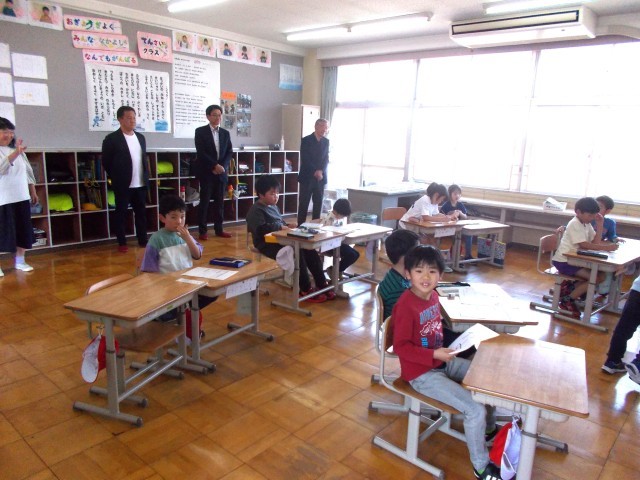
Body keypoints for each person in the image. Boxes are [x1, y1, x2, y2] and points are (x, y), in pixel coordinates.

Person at [392, 245, 500, 480]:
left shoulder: (433, 296)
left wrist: (451, 348)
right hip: (421, 375)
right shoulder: (406, 305)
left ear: (441, 275)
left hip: (441, 361)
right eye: (419, 271)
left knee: (486, 379)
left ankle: (489, 429)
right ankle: (482, 467)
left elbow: (434, 329)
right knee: (475, 410)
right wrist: (434, 355)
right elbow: (401, 347)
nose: (426, 277)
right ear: (408, 274)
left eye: (432, 271)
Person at [246, 175, 334, 303]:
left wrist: (288, 225)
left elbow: (279, 223)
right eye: (272, 194)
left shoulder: (274, 207)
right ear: (261, 194)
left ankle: (321, 283)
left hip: (282, 239)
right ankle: (305, 289)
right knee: (298, 252)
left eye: (277, 193)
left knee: (308, 248)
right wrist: (281, 227)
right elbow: (261, 229)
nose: (276, 196)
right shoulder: (255, 210)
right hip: (266, 244)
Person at [140, 194, 216, 335]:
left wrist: (188, 238)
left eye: (182, 216)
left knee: (213, 293)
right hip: (168, 289)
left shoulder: (185, 235)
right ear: (162, 218)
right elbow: (148, 272)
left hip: (187, 284)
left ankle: (185, 315)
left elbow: (197, 255)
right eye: (174, 217)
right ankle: (172, 316)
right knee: (179, 305)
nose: (179, 221)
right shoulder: (156, 239)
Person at [551, 197, 619, 318]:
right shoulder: (575, 223)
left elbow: (595, 242)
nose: (592, 218)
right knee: (595, 278)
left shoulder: (586, 224)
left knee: (601, 276)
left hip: (576, 260)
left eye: (594, 215)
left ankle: (569, 288)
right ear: (578, 212)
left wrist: (600, 224)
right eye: (589, 215)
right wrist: (606, 248)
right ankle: (568, 300)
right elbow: (584, 245)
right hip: (564, 261)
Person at [102, 106, 149, 253]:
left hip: (140, 183)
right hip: (123, 184)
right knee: (121, 213)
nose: (133, 121)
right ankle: (122, 242)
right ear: (120, 119)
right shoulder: (111, 139)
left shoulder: (141, 138)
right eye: (129, 118)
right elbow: (106, 162)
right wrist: (117, 177)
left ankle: (143, 240)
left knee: (141, 213)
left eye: (134, 117)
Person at [0, 117, 38, 276]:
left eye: (11, 132)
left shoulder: (17, 150)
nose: (9, 135)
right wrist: (16, 153)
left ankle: (20, 261)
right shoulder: (16, 151)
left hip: (21, 196)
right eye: (4, 132)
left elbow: (28, 172)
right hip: (3, 198)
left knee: (23, 230)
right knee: (3, 232)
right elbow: (1, 168)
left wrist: (32, 189)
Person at [194, 105, 233, 239]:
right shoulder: (200, 131)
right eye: (215, 115)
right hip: (207, 172)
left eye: (219, 115)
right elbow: (201, 152)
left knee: (219, 203)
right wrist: (214, 165)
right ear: (208, 116)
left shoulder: (225, 133)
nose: (218, 117)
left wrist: (222, 166)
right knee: (204, 202)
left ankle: (219, 229)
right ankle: (203, 231)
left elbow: (229, 152)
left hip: (221, 173)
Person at [602, 275, 640, 376]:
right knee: (623, 329)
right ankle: (638, 365)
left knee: (623, 328)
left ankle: (612, 361)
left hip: (637, 290)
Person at [378, 229, 419, 319]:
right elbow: (408, 317)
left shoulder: (394, 275)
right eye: (417, 252)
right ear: (405, 257)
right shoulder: (398, 290)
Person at [297, 118, 330, 226]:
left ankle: (315, 226)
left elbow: (326, 159)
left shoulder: (326, 141)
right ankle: (300, 226)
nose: (325, 130)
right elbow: (305, 158)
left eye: (326, 128)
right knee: (304, 203)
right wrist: (315, 171)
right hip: (307, 177)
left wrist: (321, 171)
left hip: (320, 178)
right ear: (316, 126)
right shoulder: (306, 140)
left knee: (318, 203)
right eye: (323, 127)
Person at [320, 198, 360, 276]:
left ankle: (336, 270)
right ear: (337, 212)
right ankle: (334, 270)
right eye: (343, 215)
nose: (343, 217)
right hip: (329, 245)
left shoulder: (336, 218)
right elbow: (326, 235)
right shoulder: (330, 219)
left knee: (356, 254)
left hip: (337, 243)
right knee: (351, 255)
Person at [441, 184, 474, 260]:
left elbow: (465, 217)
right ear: (450, 194)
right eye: (455, 194)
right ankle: (454, 257)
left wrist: (460, 213)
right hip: (449, 227)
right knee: (457, 237)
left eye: (459, 194)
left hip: (459, 226)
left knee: (469, 235)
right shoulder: (446, 205)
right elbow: (441, 215)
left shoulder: (460, 204)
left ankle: (468, 255)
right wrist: (451, 214)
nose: (457, 196)